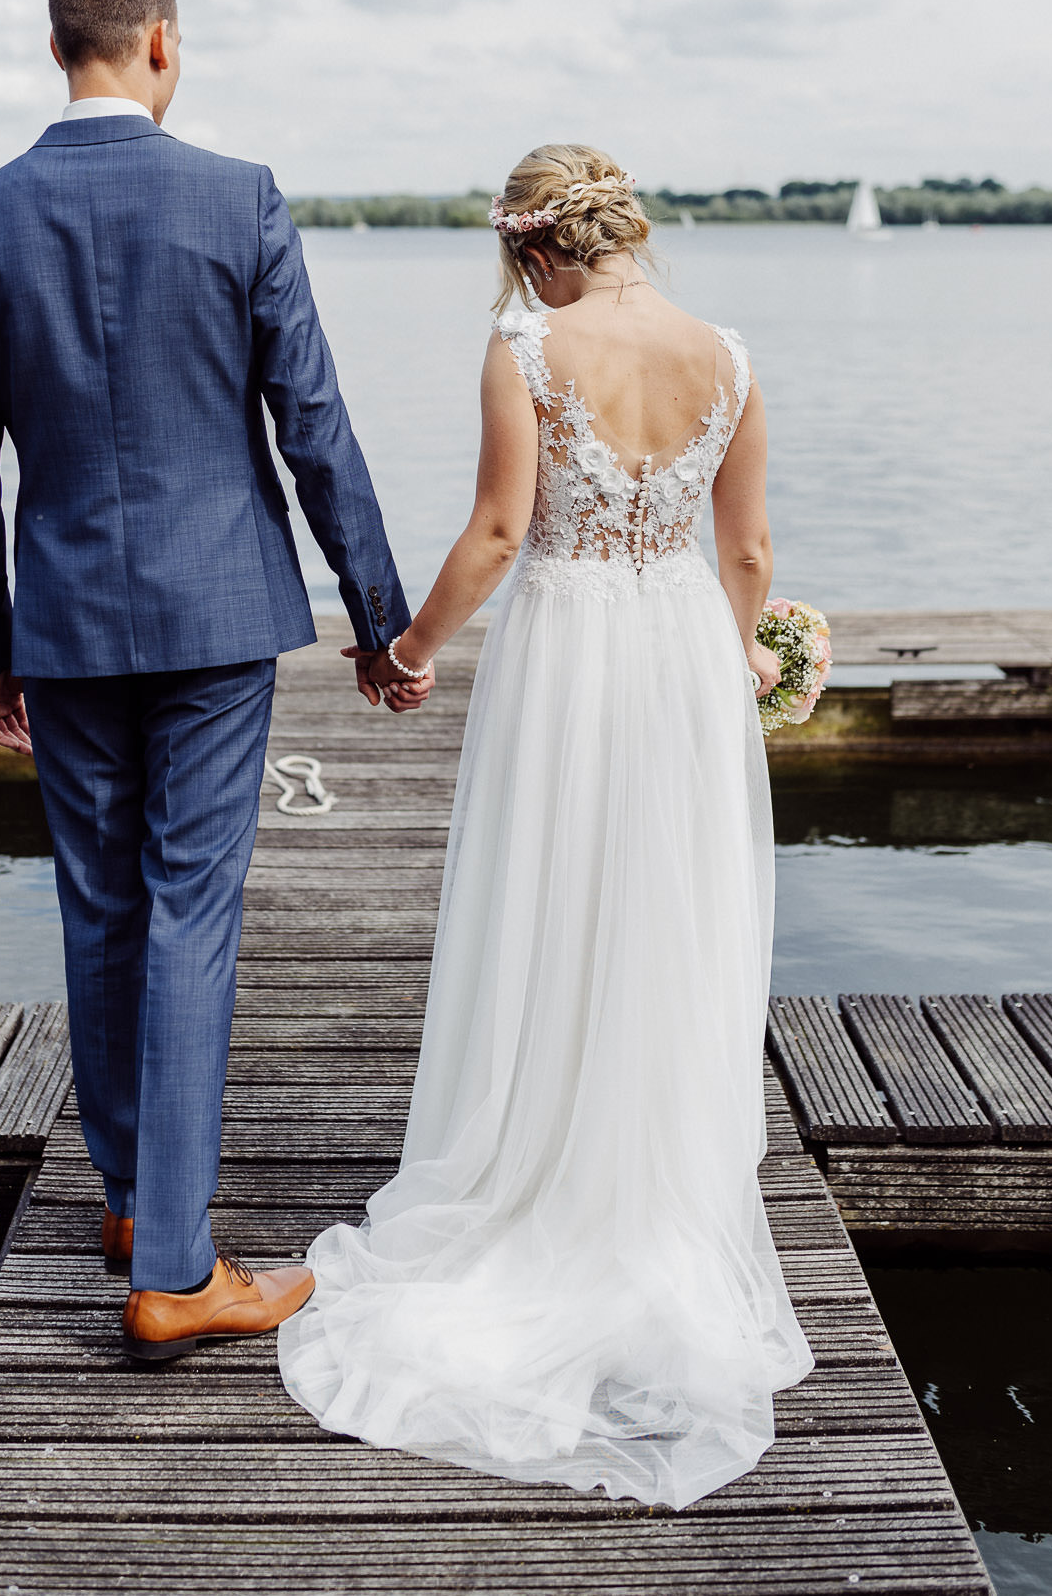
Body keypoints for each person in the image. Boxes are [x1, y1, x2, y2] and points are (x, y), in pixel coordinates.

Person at [278, 143, 813, 1506]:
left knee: (553, 892)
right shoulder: (729, 356)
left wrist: (408, 645)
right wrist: (750, 653)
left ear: (531, 249)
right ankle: (651, 1182)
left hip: (570, 644)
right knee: (665, 906)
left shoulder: (525, 348)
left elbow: (502, 532)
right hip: (680, 645)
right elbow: (744, 553)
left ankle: (543, 1158)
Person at [0, 0, 431, 1363]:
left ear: (57, 48)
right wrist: (381, 621)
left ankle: (134, 1201)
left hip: (67, 621)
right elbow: (314, 426)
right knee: (190, 910)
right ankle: (180, 1266)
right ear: (161, 42)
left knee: (103, 905)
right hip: (217, 618)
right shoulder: (239, 197)